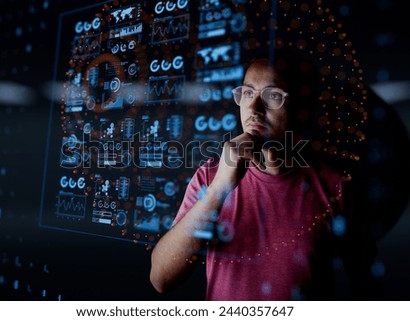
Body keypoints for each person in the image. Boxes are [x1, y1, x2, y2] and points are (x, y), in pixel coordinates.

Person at [149, 47, 381, 300]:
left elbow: (366, 284)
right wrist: (218, 190)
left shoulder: (336, 186)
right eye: (247, 93)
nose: (254, 107)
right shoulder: (210, 176)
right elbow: (161, 279)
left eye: (272, 95)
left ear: (303, 107)